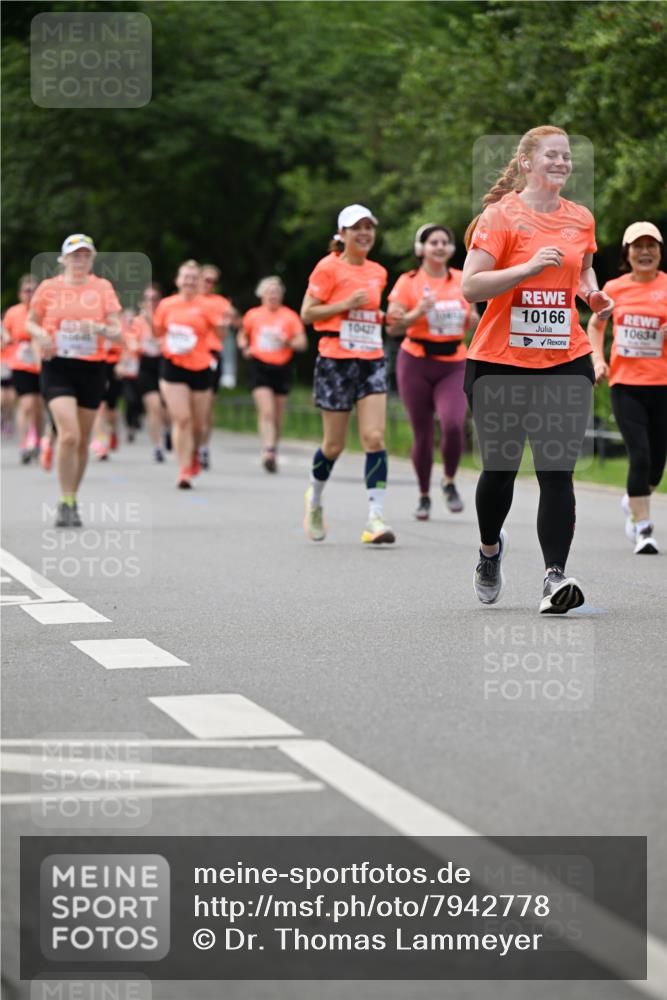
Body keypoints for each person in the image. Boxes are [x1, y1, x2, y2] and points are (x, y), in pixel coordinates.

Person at [461, 126, 613, 613]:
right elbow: (471, 286)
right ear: (527, 162)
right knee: (499, 470)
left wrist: (592, 294)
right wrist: (525, 270)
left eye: (567, 156)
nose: (562, 162)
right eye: (552, 155)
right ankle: (489, 551)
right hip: (499, 362)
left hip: (565, 359)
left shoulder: (580, 217)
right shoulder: (500, 216)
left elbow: (581, 268)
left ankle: (554, 578)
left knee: (557, 471)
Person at [300, 204, 395, 544]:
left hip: (371, 359)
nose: (365, 233)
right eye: (357, 228)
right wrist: (344, 304)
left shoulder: (378, 272)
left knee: (374, 438)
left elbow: (369, 313)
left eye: (369, 227)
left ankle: (375, 518)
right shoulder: (328, 267)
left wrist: (384, 317)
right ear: (342, 234)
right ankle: (315, 498)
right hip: (335, 360)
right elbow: (307, 313)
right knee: (334, 445)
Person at [27, 233, 122, 527]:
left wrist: (98, 328)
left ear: (92, 259)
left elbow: (117, 330)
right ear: (63, 259)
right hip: (57, 366)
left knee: (81, 440)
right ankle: (65, 498)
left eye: (85, 255)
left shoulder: (102, 288)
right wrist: (41, 335)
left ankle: (71, 499)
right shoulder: (49, 288)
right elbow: (31, 322)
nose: (79, 260)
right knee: (69, 435)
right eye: (74, 255)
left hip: (92, 368)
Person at [387, 225, 479, 519]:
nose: (439, 247)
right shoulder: (408, 282)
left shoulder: (463, 279)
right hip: (415, 361)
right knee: (423, 432)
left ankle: (449, 481)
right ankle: (424, 495)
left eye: (444, 242)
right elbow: (393, 327)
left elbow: (475, 317)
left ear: (451, 249)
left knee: (453, 423)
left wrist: (475, 321)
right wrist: (418, 311)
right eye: (433, 242)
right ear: (421, 249)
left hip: (454, 362)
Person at [587, 221, 667, 554]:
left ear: (660, 252)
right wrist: (598, 360)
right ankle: (643, 528)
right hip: (626, 385)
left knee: (657, 463)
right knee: (640, 454)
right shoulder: (614, 289)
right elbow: (595, 325)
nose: (645, 252)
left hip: (662, 385)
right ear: (627, 253)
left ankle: (633, 499)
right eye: (638, 246)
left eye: (651, 246)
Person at [153, 259, 223, 488]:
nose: (189, 281)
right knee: (182, 419)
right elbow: (158, 331)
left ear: (199, 282)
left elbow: (220, 335)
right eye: (186, 277)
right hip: (173, 365)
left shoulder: (208, 306)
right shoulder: (166, 305)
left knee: (198, 424)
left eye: (194, 278)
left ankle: (193, 453)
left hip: (201, 366)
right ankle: (183, 470)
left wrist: (222, 324)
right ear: (178, 280)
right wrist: (170, 342)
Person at [239, 276, 307, 472]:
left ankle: (273, 449)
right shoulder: (253, 315)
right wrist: (244, 347)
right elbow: (242, 335)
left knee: (277, 415)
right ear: (261, 295)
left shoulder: (289, 317)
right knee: (267, 411)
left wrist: (287, 342)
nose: (273, 296)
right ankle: (268, 450)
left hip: (282, 367)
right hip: (259, 365)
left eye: (277, 292)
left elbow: (302, 343)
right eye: (269, 292)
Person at [198, 264, 236, 468]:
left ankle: (203, 446)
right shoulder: (186, 300)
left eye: (213, 281)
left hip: (210, 355)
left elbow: (234, 322)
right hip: (185, 357)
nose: (209, 284)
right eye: (206, 279)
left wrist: (229, 320)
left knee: (206, 407)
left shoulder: (220, 302)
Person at [3, 274, 43, 463]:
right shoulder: (13, 312)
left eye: (33, 291)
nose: (30, 294)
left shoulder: (44, 312)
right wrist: (6, 339)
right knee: (26, 404)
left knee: (38, 406)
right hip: (20, 363)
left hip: (41, 364)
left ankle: (38, 442)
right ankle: (24, 444)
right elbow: (5, 334)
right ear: (20, 294)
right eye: (27, 291)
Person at [132, 284, 167, 462]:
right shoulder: (137, 321)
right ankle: (157, 446)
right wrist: (138, 346)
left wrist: (162, 342)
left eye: (154, 298)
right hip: (146, 364)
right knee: (154, 407)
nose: (151, 302)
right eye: (148, 298)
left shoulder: (166, 317)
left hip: (165, 363)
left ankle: (168, 429)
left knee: (167, 409)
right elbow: (131, 342)